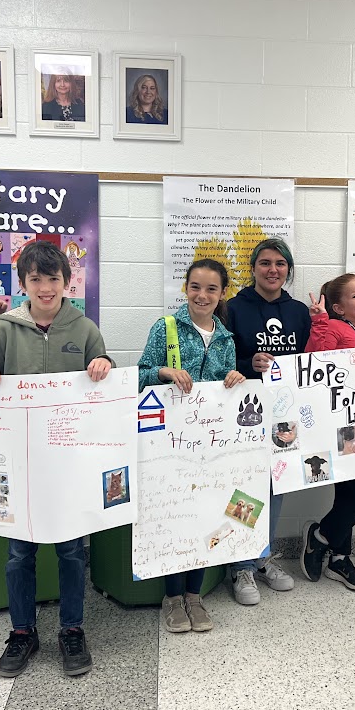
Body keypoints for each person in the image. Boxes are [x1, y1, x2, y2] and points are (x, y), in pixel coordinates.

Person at [0, 241, 113, 678]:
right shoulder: (5, 329)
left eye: (53, 279)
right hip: (20, 462)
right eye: (36, 279)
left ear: (67, 282)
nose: (45, 287)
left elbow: (103, 369)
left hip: (68, 463)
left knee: (71, 550)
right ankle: (21, 631)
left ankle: (72, 629)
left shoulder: (84, 328)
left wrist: (103, 362)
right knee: (19, 553)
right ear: (23, 283)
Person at [138, 258, 246, 633]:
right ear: (186, 288)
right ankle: (172, 597)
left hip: (210, 445)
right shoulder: (165, 327)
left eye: (211, 289)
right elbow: (138, 377)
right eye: (195, 287)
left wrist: (234, 377)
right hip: (170, 444)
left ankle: (194, 595)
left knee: (206, 514)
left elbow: (225, 385)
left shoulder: (226, 338)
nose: (202, 295)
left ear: (222, 293)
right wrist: (163, 372)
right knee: (174, 517)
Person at [224, 238, 309, 605]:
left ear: (288, 269)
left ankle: (262, 557)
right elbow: (221, 360)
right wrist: (248, 365)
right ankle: (240, 564)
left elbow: (309, 359)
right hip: (245, 412)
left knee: (278, 484)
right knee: (246, 485)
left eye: (280, 263)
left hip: (285, 412)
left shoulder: (299, 312)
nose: (273, 270)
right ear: (253, 268)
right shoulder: (233, 308)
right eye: (265, 263)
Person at [299, 273, 355, 593]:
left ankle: (338, 558)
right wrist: (319, 322)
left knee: (349, 496)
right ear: (338, 307)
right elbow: (314, 362)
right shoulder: (335, 327)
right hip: (338, 426)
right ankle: (320, 536)